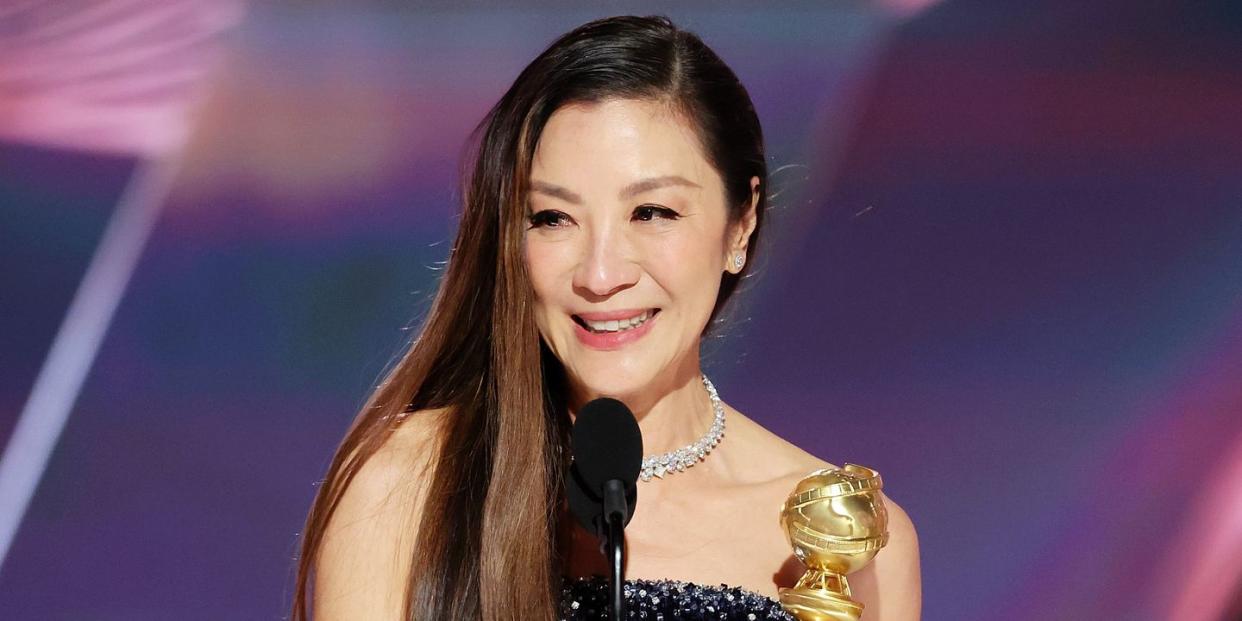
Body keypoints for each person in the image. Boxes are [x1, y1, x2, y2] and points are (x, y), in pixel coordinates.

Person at [291, 14, 920, 621]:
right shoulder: (410, 487)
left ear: (741, 225)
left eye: (651, 213)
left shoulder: (843, 536)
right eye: (553, 218)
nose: (599, 275)